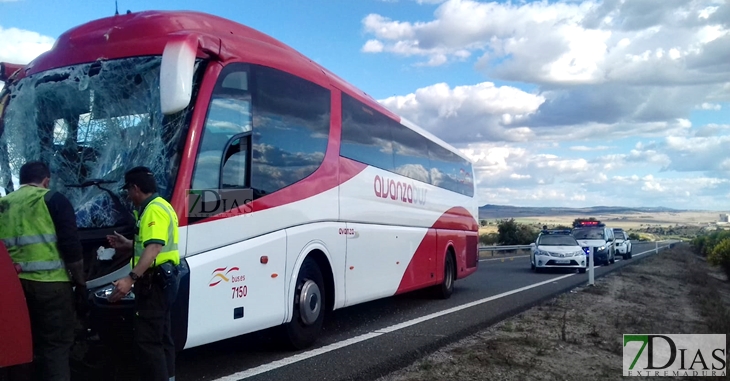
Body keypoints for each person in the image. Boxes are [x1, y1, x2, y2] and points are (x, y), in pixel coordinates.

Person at [0, 161, 86, 381]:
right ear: (46, 181)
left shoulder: (4, 204)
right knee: (54, 348)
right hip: (52, 288)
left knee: (20, 348)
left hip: (12, 289)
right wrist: (81, 284)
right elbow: (71, 247)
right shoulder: (52, 199)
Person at [106, 166, 180, 381]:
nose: (128, 196)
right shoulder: (162, 205)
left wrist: (130, 278)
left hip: (154, 283)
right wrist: (129, 245)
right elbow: (154, 246)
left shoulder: (153, 210)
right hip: (163, 280)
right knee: (162, 337)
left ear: (135, 188)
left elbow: (155, 248)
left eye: (128, 190)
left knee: (148, 341)